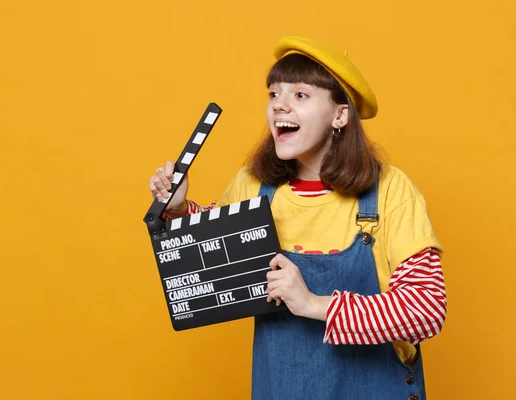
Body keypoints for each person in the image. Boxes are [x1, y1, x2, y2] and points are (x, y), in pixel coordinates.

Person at [148, 36, 446, 400]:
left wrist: (313, 303)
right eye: (274, 94)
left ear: (339, 115)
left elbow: (425, 308)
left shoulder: (390, 191)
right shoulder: (255, 185)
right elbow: (215, 261)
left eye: (300, 96)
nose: (280, 107)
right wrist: (178, 209)